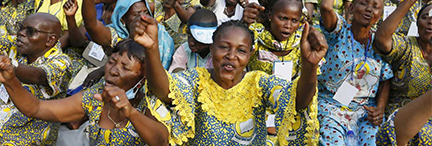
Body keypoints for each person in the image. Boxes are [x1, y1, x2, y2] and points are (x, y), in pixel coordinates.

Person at [133, 15, 327, 145]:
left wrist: (309, 66)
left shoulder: (258, 83)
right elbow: (165, 91)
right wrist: (151, 49)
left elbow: (297, 101)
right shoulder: (197, 80)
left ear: (250, 55)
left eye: (241, 50)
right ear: (211, 48)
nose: (231, 56)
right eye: (224, 47)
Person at [0, 39, 169, 146]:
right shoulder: (95, 96)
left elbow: (161, 142)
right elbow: (36, 108)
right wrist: (10, 81)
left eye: (125, 68)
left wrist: (131, 113)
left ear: (143, 78)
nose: (113, 70)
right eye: (112, 62)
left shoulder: (151, 103)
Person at [318, 0, 393, 146]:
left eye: (376, 7)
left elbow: (386, 78)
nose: (369, 9)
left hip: (366, 110)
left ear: (380, 16)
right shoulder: (339, 30)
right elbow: (326, 7)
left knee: (375, 141)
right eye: (364, 3)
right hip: (332, 105)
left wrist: (381, 108)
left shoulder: (379, 42)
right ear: (351, 8)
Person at [0, 13, 72, 145]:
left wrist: (5, 62)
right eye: (21, 28)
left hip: (20, 139)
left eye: (30, 31)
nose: (21, 33)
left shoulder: (62, 63)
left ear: (50, 40)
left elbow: (37, 75)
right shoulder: (19, 45)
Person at [247, 0, 319, 145]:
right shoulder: (255, 35)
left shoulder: (302, 41)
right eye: (283, 18)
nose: (288, 25)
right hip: (256, 103)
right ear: (270, 15)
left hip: (290, 104)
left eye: (294, 20)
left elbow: (308, 85)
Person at [373, 0, 432, 144]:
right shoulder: (407, 46)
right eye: (425, 17)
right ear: (417, 23)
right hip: (402, 121)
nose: (430, 21)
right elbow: (382, 39)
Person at [80, 0, 174, 70]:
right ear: (123, 19)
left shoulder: (160, 34)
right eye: (136, 14)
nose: (143, 17)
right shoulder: (117, 35)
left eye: (146, 12)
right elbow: (91, 25)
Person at [169, 9, 216, 73]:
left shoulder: (219, 52)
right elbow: (175, 71)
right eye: (189, 35)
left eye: (197, 39)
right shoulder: (184, 50)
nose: (191, 43)